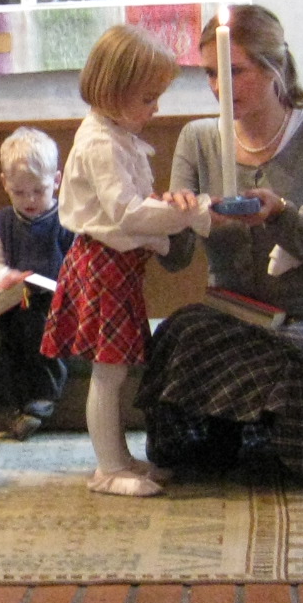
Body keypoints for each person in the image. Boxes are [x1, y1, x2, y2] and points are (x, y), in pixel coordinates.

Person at [137, 8, 303, 487]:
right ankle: (260, 431)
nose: (219, 87)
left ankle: (257, 430)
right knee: (181, 333)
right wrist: (171, 219)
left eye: (234, 71)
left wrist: (280, 214)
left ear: (274, 67)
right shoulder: (197, 139)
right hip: (232, 320)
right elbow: (177, 261)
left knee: (285, 359)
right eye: (210, 74)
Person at [43, 25, 211, 497]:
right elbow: (127, 213)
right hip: (103, 266)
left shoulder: (115, 134)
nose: (156, 108)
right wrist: (187, 214)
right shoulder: (101, 142)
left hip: (117, 265)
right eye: (148, 98)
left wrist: (170, 217)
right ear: (114, 93)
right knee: (109, 371)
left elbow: (135, 207)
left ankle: (119, 458)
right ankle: (108, 468)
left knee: (115, 369)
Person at [0, 127, 76, 440]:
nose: (29, 200)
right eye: (19, 192)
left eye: (38, 191)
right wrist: (4, 277)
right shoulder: (2, 222)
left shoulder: (68, 220)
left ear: (56, 181)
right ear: (5, 183)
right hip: (14, 300)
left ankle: (42, 398)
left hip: (57, 303)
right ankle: (7, 403)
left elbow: (81, 265)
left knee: (40, 326)